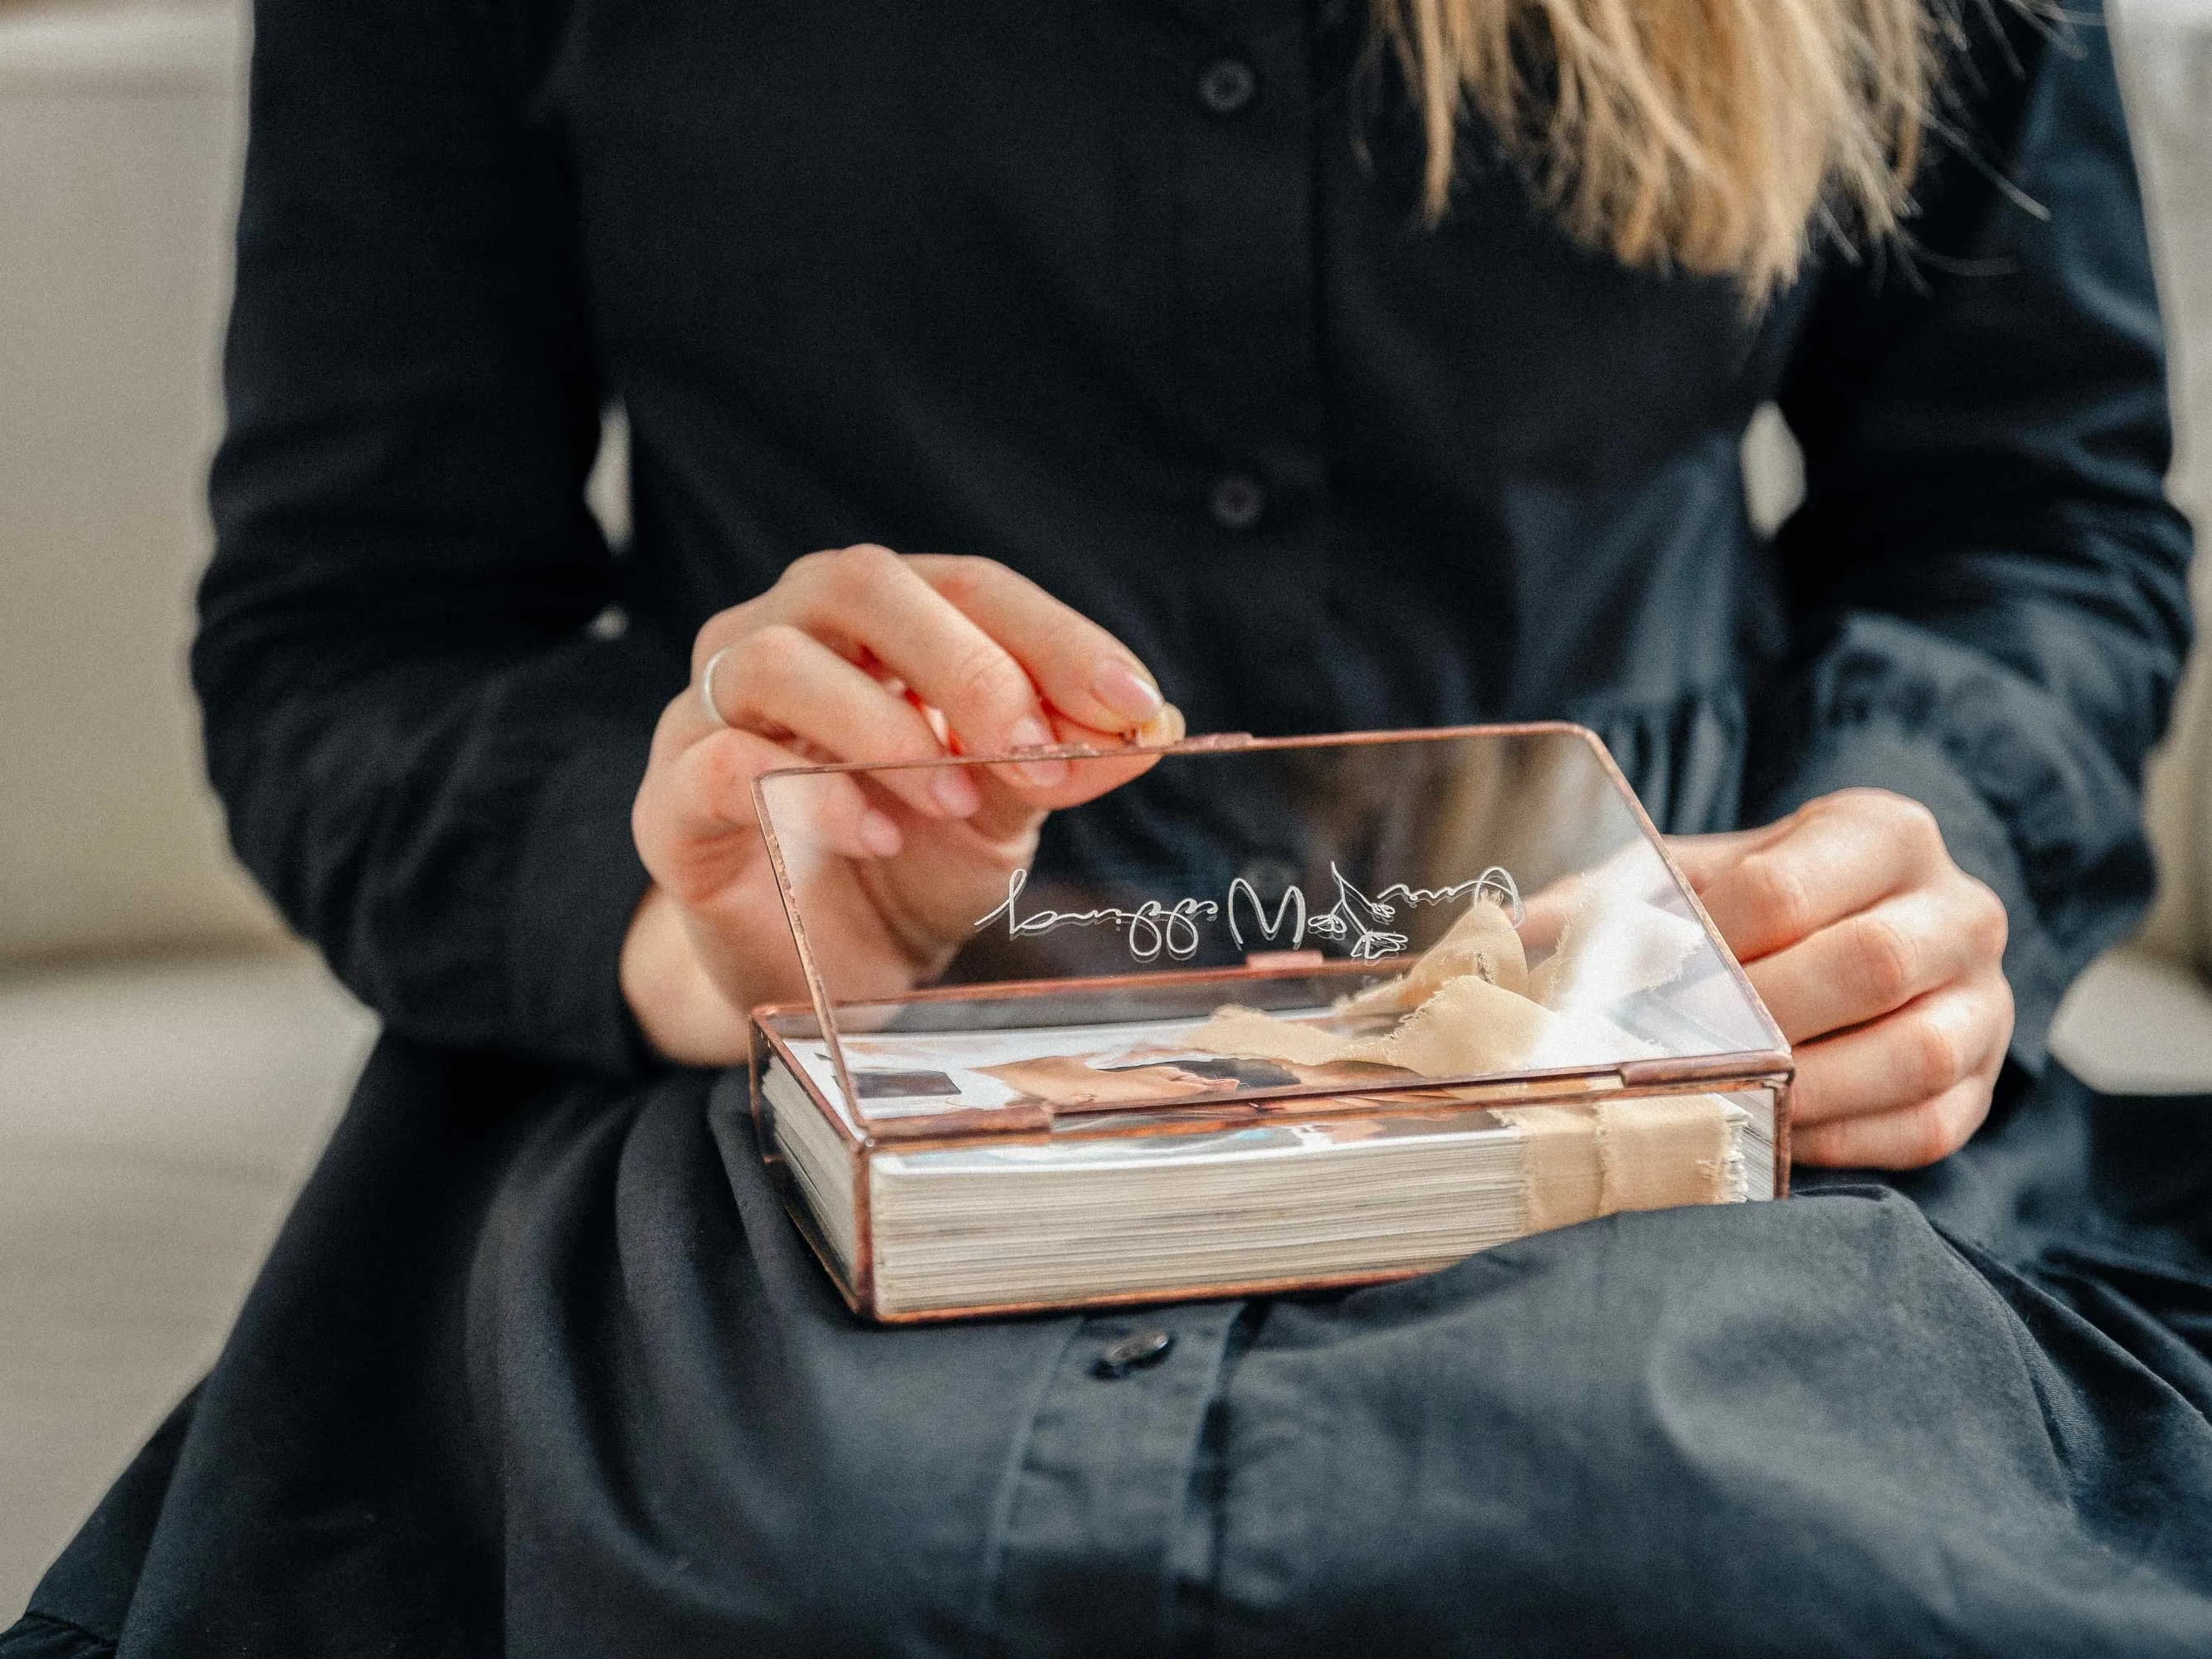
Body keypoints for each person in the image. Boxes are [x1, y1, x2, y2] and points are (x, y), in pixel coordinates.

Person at [9, 0, 2211, 1652]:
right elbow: (356, 630)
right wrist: (691, 928)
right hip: (799, 1087)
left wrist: (1908, 865)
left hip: (1690, 1069)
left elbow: (2034, 519)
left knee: (1723, 1540)